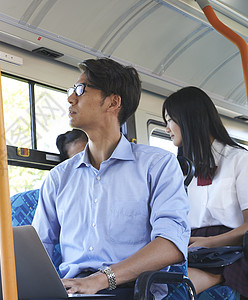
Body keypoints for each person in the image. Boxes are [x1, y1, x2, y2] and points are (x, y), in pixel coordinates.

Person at [32, 57, 190, 299]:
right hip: (73, 292)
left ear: (113, 102)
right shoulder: (58, 178)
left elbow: (171, 244)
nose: (71, 97)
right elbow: (36, 248)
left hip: (134, 290)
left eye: (81, 89)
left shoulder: (158, 166)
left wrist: (100, 280)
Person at [163, 86, 248, 298]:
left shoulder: (239, 160)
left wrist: (209, 243)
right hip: (192, 252)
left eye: (169, 120)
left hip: (231, 255)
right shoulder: (179, 171)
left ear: (189, 118)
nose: (167, 128)